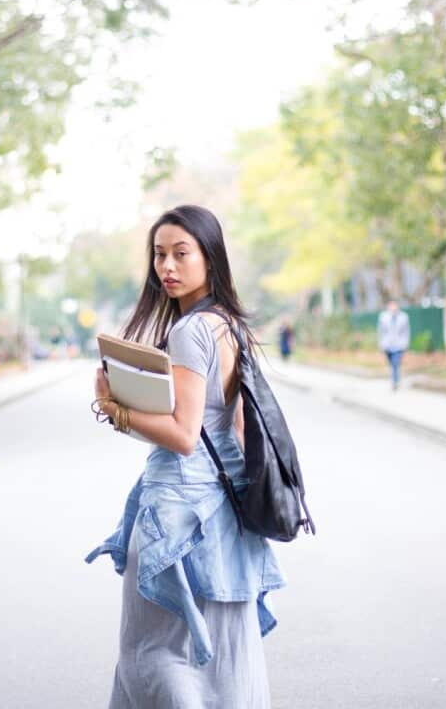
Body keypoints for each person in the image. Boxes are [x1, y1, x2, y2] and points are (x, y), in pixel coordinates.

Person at [87, 205, 284, 707]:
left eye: (181, 253)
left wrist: (115, 408)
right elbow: (236, 430)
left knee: (155, 653)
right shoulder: (228, 325)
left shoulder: (190, 331)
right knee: (218, 663)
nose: (167, 267)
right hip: (224, 518)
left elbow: (183, 435)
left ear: (209, 258)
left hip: (178, 514)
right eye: (159, 255)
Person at [378, 299, 410, 391]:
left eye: (395, 306)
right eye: (391, 306)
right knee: (391, 363)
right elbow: (380, 331)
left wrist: (405, 344)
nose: (393, 308)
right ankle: (395, 377)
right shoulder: (383, 317)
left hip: (398, 345)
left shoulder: (404, 317)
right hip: (387, 345)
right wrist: (381, 344)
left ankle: (395, 381)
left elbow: (406, 331)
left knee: (395, 363)